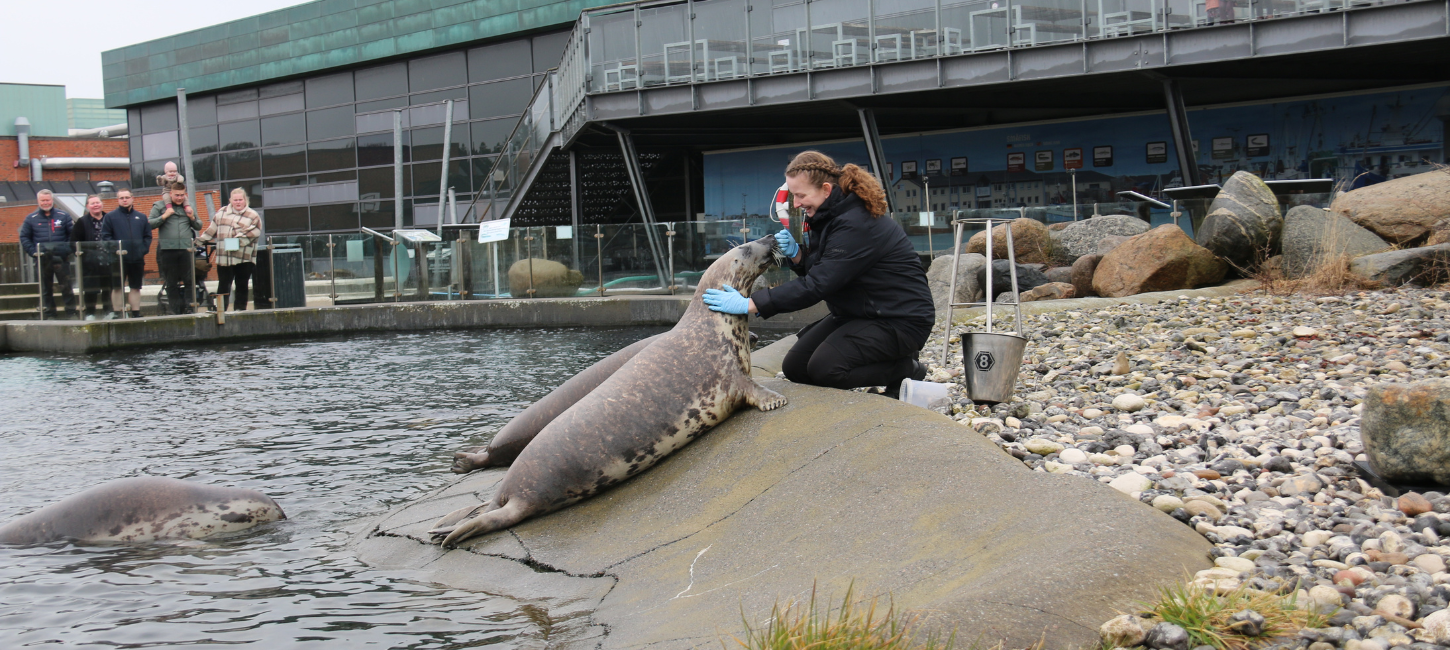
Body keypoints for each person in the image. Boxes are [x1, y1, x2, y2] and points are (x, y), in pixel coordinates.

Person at [703, 151, 934, 397]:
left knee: (826, 369)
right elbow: (831, 268)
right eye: (793, 195)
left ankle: (907, 368)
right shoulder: (828, 216)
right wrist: (799, 257)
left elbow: (819, 284)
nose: (797, 203)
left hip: (899, 319)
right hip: (858, 313)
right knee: (796, 368)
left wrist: (752, 303)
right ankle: (890, 361)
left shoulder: (856, 223)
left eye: (801, 195)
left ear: (825, 189)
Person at [196, 188, 261, 311]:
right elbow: (211, 231)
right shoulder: (221, 213)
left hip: (244, 258)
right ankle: (221, 310)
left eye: (240, 200)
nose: (238, 202)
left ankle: (240, 310)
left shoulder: (253, 215)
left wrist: (236, 241)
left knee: (242, 285)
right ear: (230, 200)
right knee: (223, 285)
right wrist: (198, 241)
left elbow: (254, 233)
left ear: (245, 200)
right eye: (235, 200)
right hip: (224, 258)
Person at [18, 189, 78, 319]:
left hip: (62, 259)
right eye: (43, 200)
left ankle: (71, 313)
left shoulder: (64, 216)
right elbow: (24, 237)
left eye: (48, 200)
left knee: (66, 287)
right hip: (42, 260)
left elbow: (73, 236)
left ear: (52, 200)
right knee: (46, 289)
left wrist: (66, 250)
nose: (45, 203)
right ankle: (50, 314)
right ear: (38, 201)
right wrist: (34, 252)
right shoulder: (31, 218)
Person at [149, 182, 203, 314]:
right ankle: (176, 310)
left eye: (182, 195)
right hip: (167, 250)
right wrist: (164, 216)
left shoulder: (188, 207)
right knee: (171, 282)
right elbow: (149, 224)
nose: (179, 198)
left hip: (186, 250)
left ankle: (189, 307)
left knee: (189, 280)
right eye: (176, 195)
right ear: (170, 194)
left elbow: (199, 226)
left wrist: (192, 217)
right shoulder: (160, 206)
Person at [101, 188, 151, 319]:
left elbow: (147, 236)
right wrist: (115, 251)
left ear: (132, 198)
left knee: (135, 287)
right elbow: (105, 237)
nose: (124, 200)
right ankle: (117, 313)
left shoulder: (141, 217)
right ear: (118, 200)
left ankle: (136, 312)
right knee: (117, 287)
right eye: (121, 198)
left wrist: (142, 250)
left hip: (136, 259)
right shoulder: (110, 217)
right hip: (118, 259)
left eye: (127, 197)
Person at [69, 195, 116, 319]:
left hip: (109, 261)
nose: (95, 205)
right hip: (90, 264)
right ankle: (90, 313)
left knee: (108, 289)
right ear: (87, 206)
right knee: (91, 290)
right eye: (92, 203)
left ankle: (109, 312)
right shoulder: (81, 222)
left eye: (97, 202)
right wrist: (85, 255)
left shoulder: (110, 219)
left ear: (102, 204)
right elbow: (74, 242)